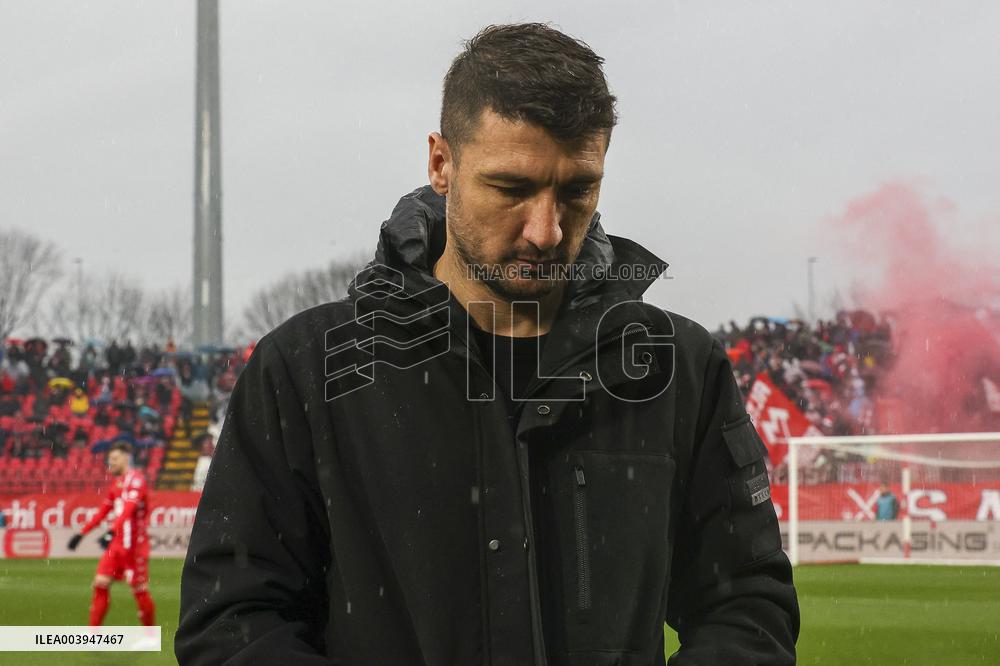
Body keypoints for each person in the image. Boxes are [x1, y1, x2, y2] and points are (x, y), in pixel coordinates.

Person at [176, 22, 799, 665]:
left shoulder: (678, 370)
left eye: (577, 190)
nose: (547, 230)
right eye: (513, 189)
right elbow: (232, 625)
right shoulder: (305, 370)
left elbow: (748, 608)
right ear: (442, 163)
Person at [67, 440, 156, 627]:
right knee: (100, 582)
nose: (111, 463)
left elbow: (129, 510)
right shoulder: (117, 484)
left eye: (115, 459)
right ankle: (93, 636)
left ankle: (149, 635)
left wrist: (110, 531)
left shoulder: (136, 480)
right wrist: (81, 534)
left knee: (139, 589)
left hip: (134, 545)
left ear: (126, 458)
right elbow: (102, 512)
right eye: (110, 459)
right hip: (117, 544)